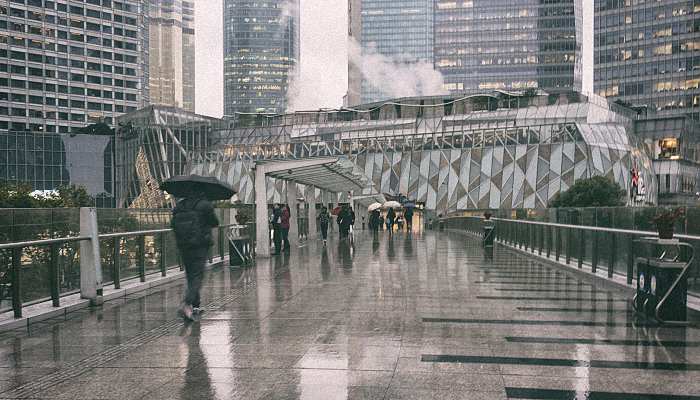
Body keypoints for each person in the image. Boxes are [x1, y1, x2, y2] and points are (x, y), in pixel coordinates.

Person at [171, 192, 219, 321]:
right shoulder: (205, 205)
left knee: (191, 275)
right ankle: (186, 304)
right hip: (200, 246)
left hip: (184, 246)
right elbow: (215, 222)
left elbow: (172, 225)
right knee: (197, 276)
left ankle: (195, 306)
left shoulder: (179, 206)